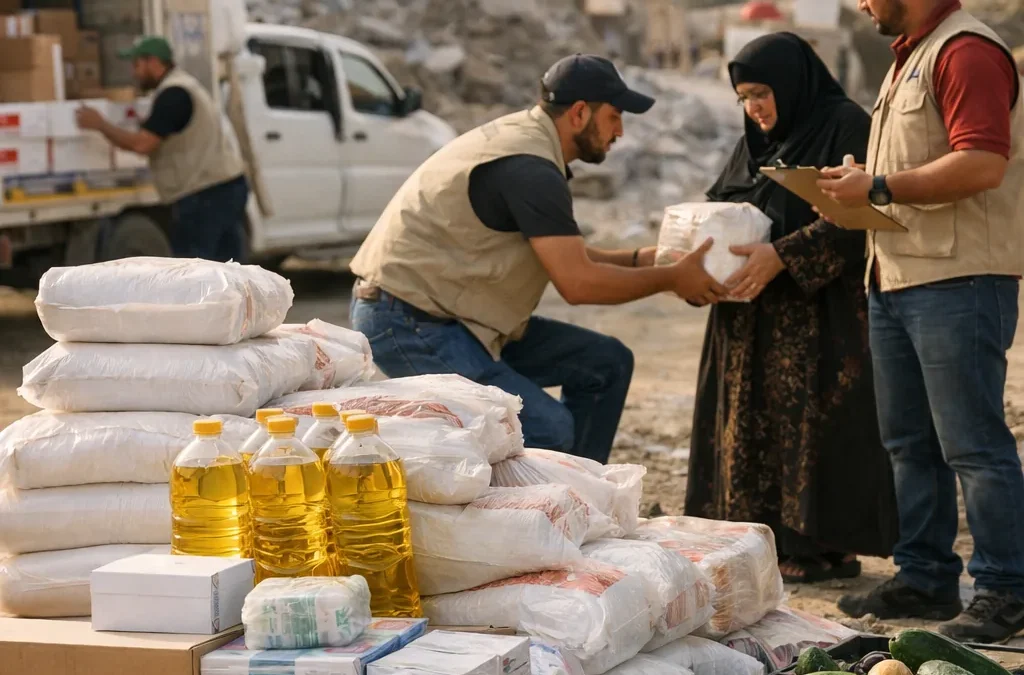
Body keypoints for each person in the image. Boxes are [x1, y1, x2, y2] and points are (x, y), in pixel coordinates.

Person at [348, 54, 728, 464]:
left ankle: (581, 501)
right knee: (547, 427)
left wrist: (646, 259)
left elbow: (565, 254)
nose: (619, 131)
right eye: (615, 116)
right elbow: (578, 284)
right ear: (581, 112)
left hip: (454, 316)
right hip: (407, 321)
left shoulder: (529, 144)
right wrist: (671, 279)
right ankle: (539, 514)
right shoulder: (530, 169)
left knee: (607, 363)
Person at [818, 0, 1024, 643]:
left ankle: (1007, 591)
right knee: (910, 443)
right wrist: (867, 181)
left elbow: (983, 163)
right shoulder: (912, 56)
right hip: (902, 276)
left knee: (973, 446)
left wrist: (876, 186)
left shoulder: (965, 52)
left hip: (959, 281)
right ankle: (927, 576)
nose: (861, 5)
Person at [684, 32, 898, 585]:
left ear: (790, 83)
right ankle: (759, 541)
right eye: (744, 98)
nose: (754, 109)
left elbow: (865, 218)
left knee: (813, 429)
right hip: (746, 314)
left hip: (816, 316)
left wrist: (783, 254)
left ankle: (822, 546)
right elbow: (722, 202)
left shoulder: (843, 125)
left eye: (761, 93)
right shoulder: (755, 143)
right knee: (750, 428)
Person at [75, 36, 249, 263]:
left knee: (195, 268)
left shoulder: (174, 95)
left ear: (155, 62)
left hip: (205, 195)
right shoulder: (183, 86)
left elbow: (142, 144)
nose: (134, 73)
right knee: (227, 268)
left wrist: (101, 125)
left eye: (137, 65)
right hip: (224, 186)